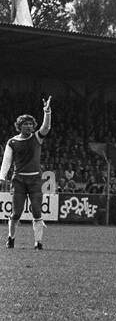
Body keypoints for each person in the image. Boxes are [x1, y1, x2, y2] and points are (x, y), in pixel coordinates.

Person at [2, 97, 52, 249]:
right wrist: (2, 177)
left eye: (31, 124)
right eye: (25, 124)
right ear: (20, 126)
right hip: (19, 181)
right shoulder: (12, 142)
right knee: (16, 213)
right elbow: (7, 161)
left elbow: (46, 127)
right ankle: (11, 238)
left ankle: (38, 242)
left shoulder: (37, 137)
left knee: (37, 211)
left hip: (36, 180)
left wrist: (47, 111)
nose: (29, 126)